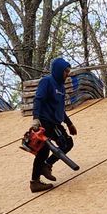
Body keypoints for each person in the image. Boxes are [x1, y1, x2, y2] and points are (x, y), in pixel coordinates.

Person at [29, 56, 78, 192]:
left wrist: (69, 123)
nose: (67, 74)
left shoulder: (61, 87)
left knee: (67, 144)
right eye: (65, 71)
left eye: (68, 72)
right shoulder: (47, 82)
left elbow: (59, 108)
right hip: (45, 121)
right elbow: (38, 99)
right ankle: (35, 182)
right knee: (43, 151)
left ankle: (46, 166)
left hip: (55, 122)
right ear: (58, 70)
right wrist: (36, 118)